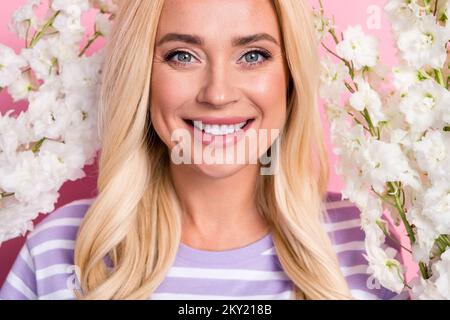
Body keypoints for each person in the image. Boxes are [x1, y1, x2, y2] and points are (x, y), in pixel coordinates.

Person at [0, 0, 409, 300]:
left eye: (253, 55)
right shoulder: (59, 251)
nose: (217, 93)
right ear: (142, 75)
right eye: (182, 55)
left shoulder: (365, 244)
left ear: (290, 78)